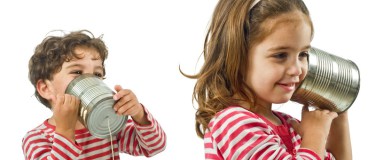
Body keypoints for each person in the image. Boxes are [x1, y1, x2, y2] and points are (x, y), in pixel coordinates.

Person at [183, 0, 352, 159]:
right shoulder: (233, 123)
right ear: (238, 56)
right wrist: (315, 136)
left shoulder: (290, 125)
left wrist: (339, 112)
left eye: (303, 54)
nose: (297, 69)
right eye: (280, 55)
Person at [22, 30, 166, 159]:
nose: (90, 80)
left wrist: (138, 114)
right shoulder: (36, 138)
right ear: (45, 88)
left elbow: (154, 147)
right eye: (77, 72)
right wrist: (65, 130)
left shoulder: (108, 123)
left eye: (97, 74)